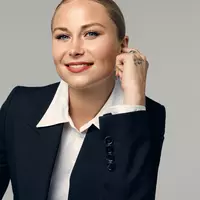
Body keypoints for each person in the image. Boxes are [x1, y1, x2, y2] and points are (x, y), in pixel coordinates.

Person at [0, 0, 166, 199]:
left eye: (91, 34)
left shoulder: (143, 117)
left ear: (122, 45)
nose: (74, 49)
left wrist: (133, 98)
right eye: (63, 36)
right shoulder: (20, 107)